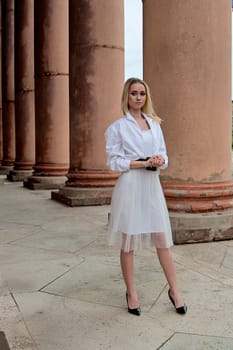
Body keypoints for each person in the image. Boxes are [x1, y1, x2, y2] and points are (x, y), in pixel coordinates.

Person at [105, 77, 187, 316]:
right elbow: (113, 162)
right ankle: (131, 293)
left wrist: (160, 161)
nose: (138, 97)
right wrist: (142, 163)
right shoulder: (117, 128)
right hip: (131, 186)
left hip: (152, 187)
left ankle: (175, 291)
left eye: (142, 93)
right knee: (129, 242)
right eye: (133, 93)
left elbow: (164, 154)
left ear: (146, 97)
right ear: (126, 96)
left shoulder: (155, 124)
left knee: (162, 240)